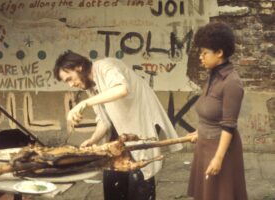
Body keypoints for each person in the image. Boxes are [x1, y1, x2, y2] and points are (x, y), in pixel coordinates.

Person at [53, 51, 183, 200]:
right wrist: (93, 140)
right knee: (112, 184)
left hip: (138, 130)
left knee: (140, 182)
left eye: (70, 78)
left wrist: (84, 104)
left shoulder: (106, 66)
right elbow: (104, 120)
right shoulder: (90, 87)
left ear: (79, 67)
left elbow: (122, 89)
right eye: (66, 82)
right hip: (118, 136)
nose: (71, 84)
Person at [187, 22, 248, 200]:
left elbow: (229, 124)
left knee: (221, 195)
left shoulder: (231, 82)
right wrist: (200, 131)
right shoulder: (213, 76)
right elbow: (211, 112)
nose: (201, 57)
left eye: (204, 52)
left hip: (220, 150)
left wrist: (218, 158)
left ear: (219, 53)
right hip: (204, 146)